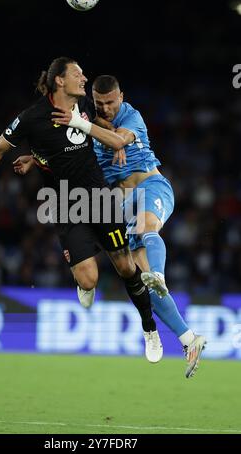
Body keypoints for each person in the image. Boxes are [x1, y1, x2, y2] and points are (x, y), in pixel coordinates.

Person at [0, 57, 162, 363]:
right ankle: (83, 279)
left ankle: (150, 330)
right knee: (89, 279)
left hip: (101, 198)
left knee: (128, 269)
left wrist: (118, 145)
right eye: (78, 74)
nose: (84, 77)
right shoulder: (32, 118)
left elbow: (102, 130)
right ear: (60, 81)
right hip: (67, 204)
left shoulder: (85, 109)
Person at [91, 75, 206, 378]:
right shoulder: (94, 130)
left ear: (121, 97)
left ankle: (159, 273)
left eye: (111, 102)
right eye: (99, 104)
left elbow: (120, 138)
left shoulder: (131, 115)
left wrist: (104, 131)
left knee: (146, 229)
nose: (106, 108)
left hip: (152, 186)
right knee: (145, 289)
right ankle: (189, 340)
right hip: (124, 204)